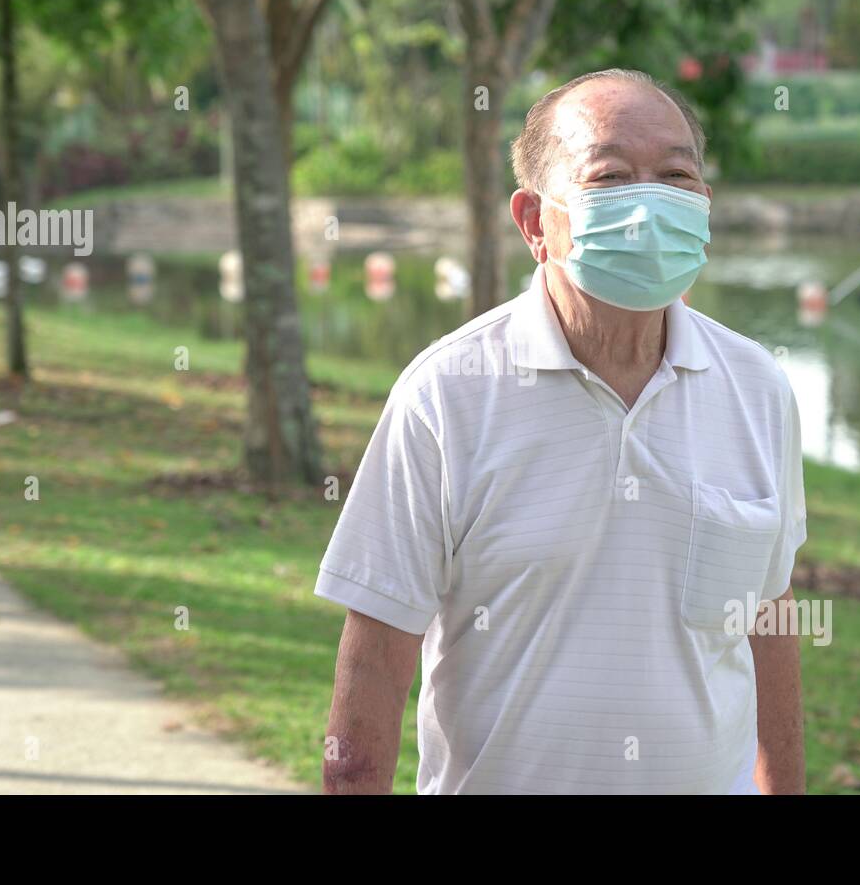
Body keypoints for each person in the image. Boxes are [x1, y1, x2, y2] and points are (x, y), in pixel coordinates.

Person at [315, 68, 808, 794]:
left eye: (676, 175)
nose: (651, 202)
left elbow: (768, 619)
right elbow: (375, 663)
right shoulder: (446, 397)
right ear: (533, 221)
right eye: (610, 177)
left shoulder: (757, 387)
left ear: (703, 203)